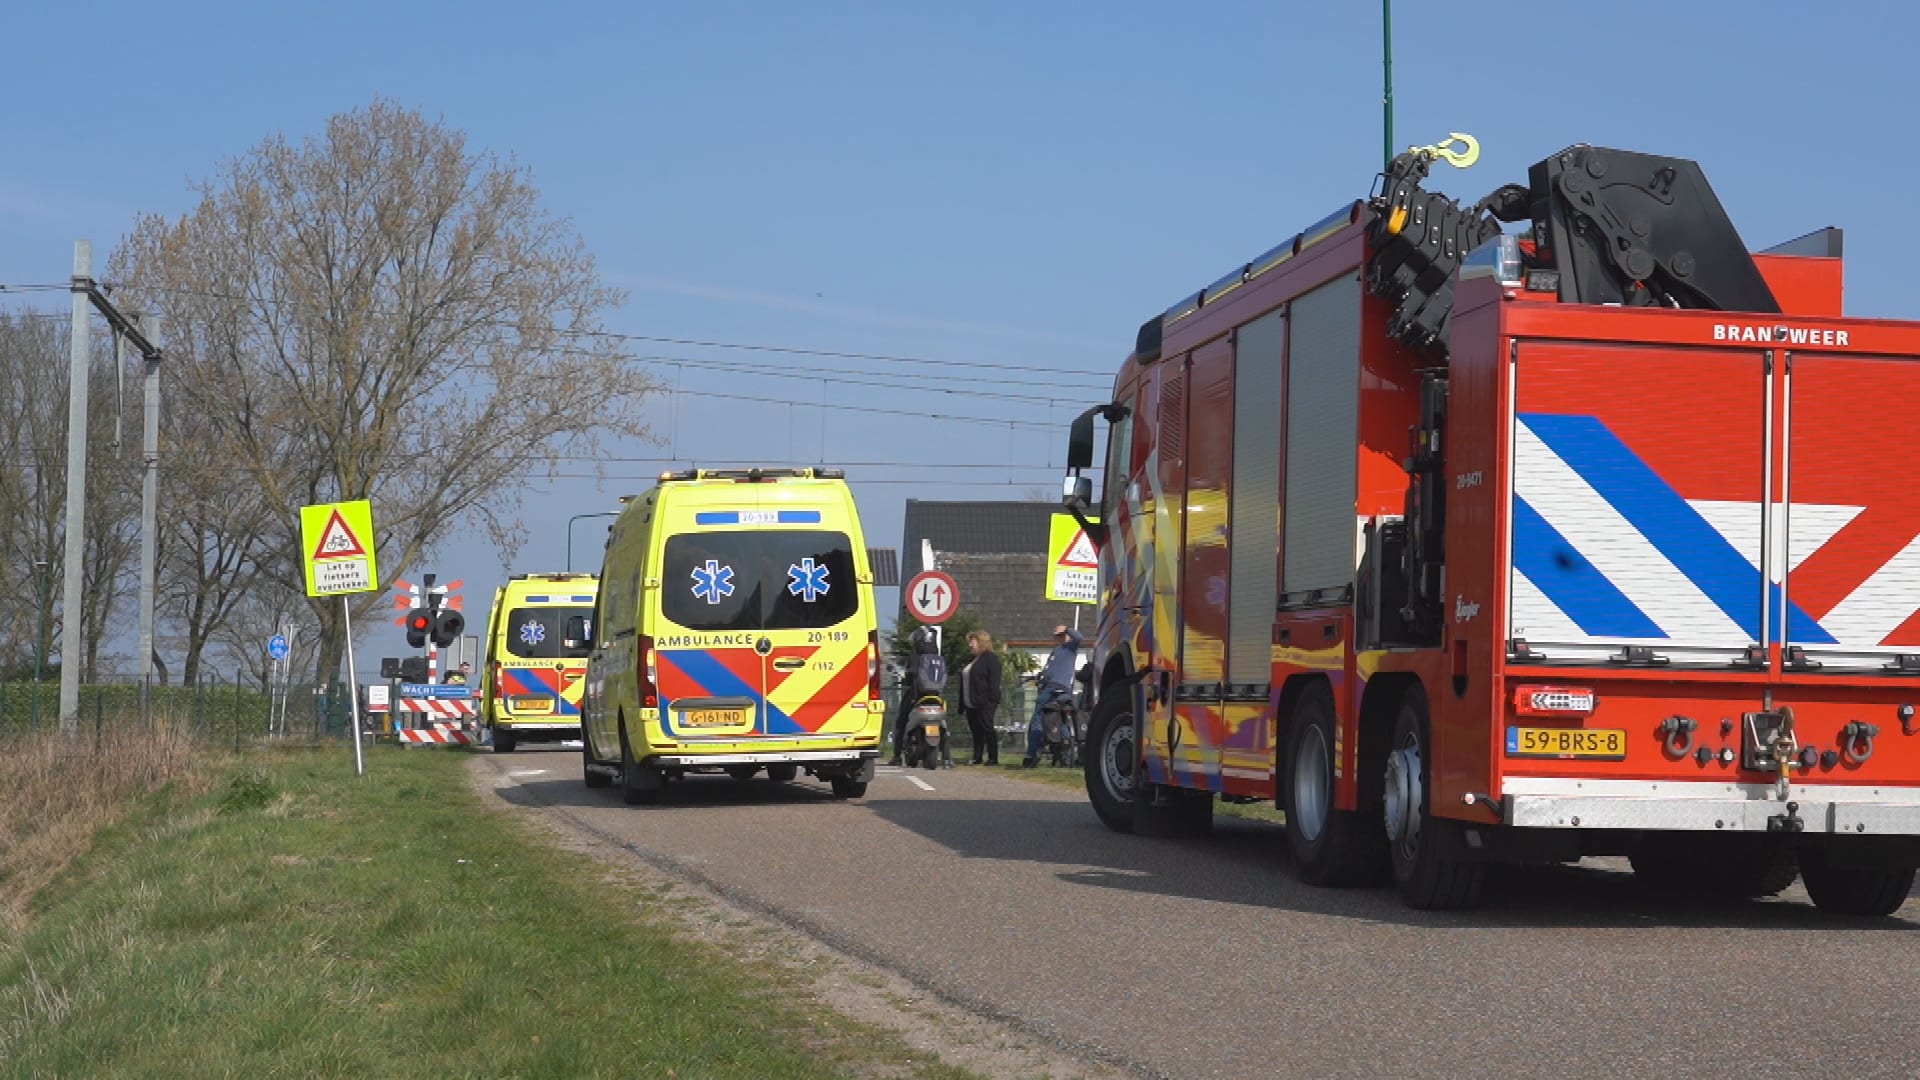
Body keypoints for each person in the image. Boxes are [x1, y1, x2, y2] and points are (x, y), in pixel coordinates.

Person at [1025, 624, 1082, 767]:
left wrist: (1067, 629)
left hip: (1055, 688)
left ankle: (1032, 754)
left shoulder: (1070, 648)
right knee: (1061, 719)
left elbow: (1079, 637)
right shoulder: (1055, 651)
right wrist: (1039, 677)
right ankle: (1066, 755)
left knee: (1038, 717)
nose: (1060, 638)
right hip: (1060, 688)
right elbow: (1047, 671)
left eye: (1061, 635)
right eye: (1057, 635)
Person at [888, 625, 944, 765]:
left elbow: (908, 677)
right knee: (943, 724)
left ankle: (896, 756)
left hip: (915, 695)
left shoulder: (914, 656)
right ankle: (947, 757)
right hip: (936, 697)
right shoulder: (937, 657)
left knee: (900, 722)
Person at [962, 631, 1003, 765]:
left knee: (987, 727)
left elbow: (994, 681)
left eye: (972, 642)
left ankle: (993, 757)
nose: (970, 645)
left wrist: (988, 699)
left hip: (986, 701)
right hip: (971, 701)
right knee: (975, 730)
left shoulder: (990, 658)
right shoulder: (971, 660)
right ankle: (977, 756)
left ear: (981, 642)